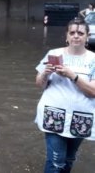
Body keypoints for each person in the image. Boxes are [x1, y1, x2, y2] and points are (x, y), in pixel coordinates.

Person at [35, 17, 95, 173]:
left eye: (80, 33)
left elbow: (93, 92)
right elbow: (39, 84)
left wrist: (72, 75)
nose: (76, 36)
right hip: (53, 115)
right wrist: (45, 74)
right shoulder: (53, 54)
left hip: (81, 118)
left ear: (87, 37)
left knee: (68, 159)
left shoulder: (93, 60)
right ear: (67, 36)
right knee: (55, 162)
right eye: (72, 32)